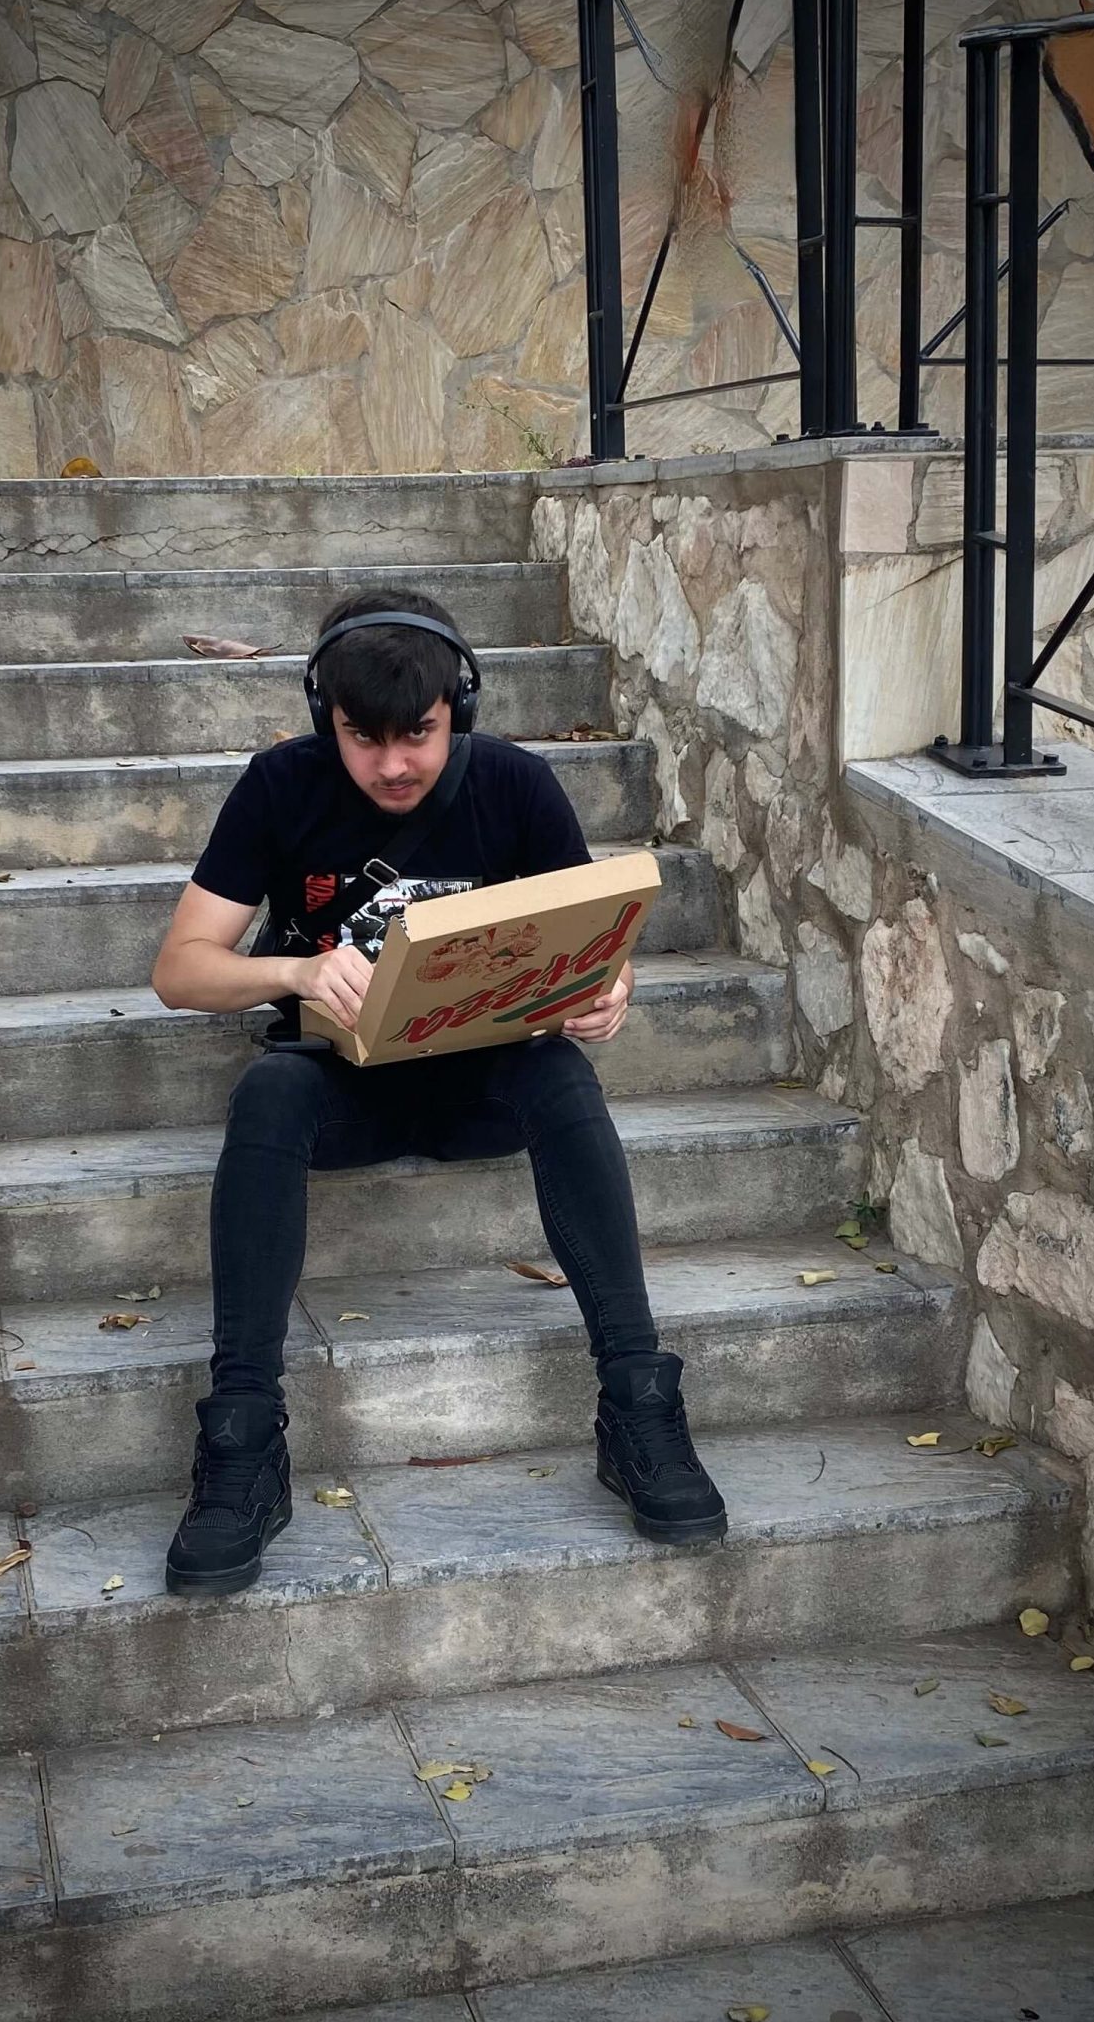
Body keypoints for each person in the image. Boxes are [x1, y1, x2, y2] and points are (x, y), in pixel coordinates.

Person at [151, 589, 727, 1596]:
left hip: (481, 1086)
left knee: (561, 1072)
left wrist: (606, 992)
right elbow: (180, 970)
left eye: (415, 735)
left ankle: (638, 1404)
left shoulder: (515, 785)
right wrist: (293, 972)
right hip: (340, 1086)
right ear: (321, 715)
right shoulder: (280, 785)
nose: (392, 765)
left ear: (456, 705)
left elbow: (588, 943)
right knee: (266, 1096)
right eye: (361, 739)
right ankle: (243, 1438)